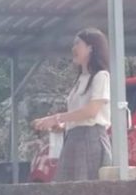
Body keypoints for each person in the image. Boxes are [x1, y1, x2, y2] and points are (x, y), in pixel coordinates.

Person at [33, 28, 112, 182]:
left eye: (78, 44)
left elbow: (91, 111)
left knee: (87, 191)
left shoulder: (101, 76)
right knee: (68, 192)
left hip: (91, 139)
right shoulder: (81, 79)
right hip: (73, 139)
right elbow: (79, 115)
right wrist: (61, 126)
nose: (73, 48)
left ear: (91, 48)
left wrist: (56, 118)